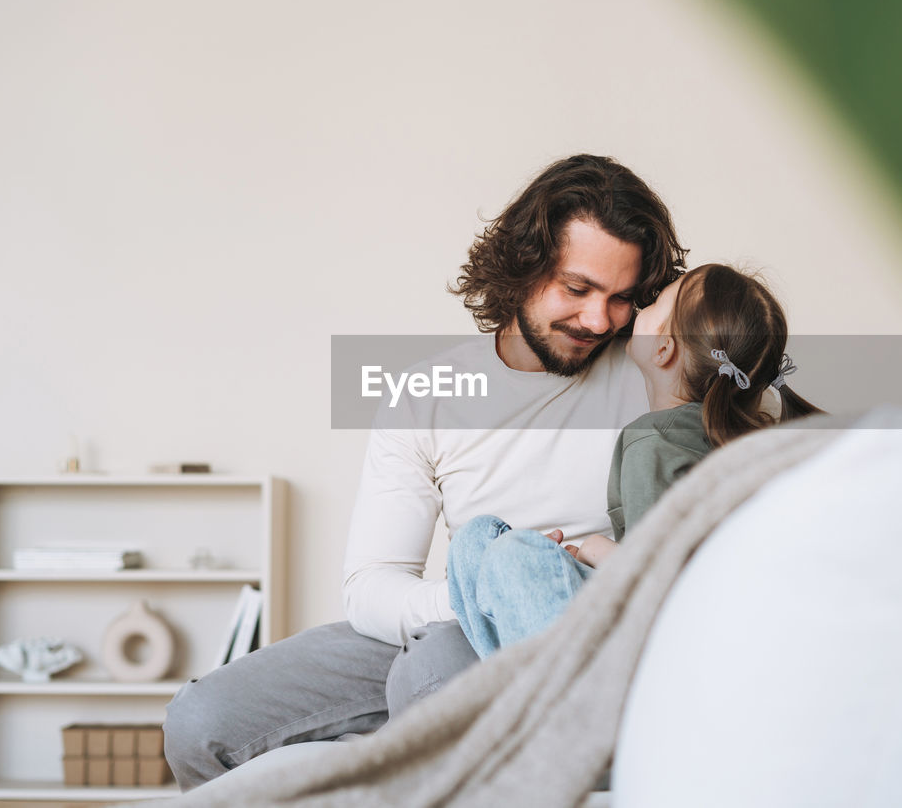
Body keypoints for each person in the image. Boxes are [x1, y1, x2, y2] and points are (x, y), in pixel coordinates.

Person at [162, 154, 688, 789]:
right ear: (523, 265)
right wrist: (479, 591)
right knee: (201, 723)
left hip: (583, 622)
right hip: (458, 610)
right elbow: (372, 587)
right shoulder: (426, 394)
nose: (599, 320)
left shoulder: (658, 372)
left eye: (622, 299)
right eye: (577, 289)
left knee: (430, 675)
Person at [447, 263, 822, 658]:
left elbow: (660, 584)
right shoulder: (721, 436)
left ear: (664, 348)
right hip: (663, 618)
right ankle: (523, 690)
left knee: (510, 554)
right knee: (478, 538)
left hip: (653, 639)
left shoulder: (655, 439)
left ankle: (550, 702)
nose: (640, 309)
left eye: (657, 303)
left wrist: (595, 550)